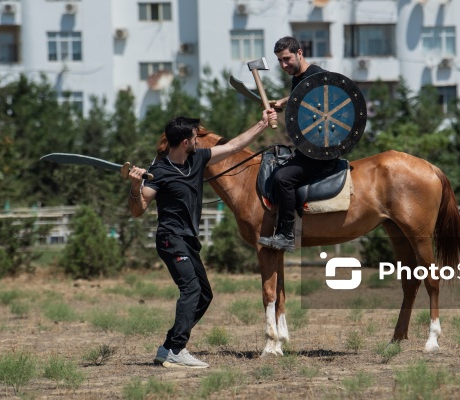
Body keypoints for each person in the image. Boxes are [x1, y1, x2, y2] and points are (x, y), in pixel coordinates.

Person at [128, 109, 277, 368]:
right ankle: (177, 349)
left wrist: (262, 124)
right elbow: (138, 210)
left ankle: (168, 347)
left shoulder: (197, 159)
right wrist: (133, 186)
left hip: (188, 240)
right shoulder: (159, 171)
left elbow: (234, 146)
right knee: (191, 289)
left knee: (204, 295)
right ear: (185, 142)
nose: (198, 141)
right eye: (195, 137)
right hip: (170, 238)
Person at [259, 36, 337, 252]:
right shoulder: (299, 78)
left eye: (287, 59)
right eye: (280, 61)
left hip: (321, 153)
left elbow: (325, 110)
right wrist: (285, 102)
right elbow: (302, 99)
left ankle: (286, 235)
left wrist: (291, 102)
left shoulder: (318, 76)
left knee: (283, 178)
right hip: (307, 149)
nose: (284, 65)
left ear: (299, 53)